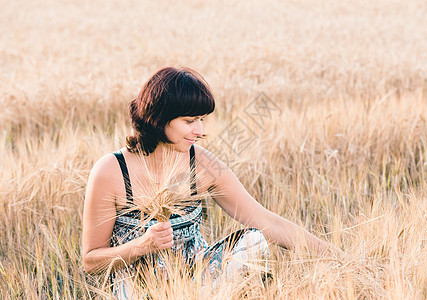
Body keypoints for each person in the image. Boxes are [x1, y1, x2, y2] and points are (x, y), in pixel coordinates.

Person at [82, 67, 335, 297]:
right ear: (158, 118)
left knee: (254, 241)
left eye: (201, 119)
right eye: (189, 121)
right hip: (137, 287)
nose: (200, 130)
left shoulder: (202, 165)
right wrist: (140, 246)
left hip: (200, 285)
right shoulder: (112, 171)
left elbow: (267, 221)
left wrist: (338, 258)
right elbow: (91, 261)